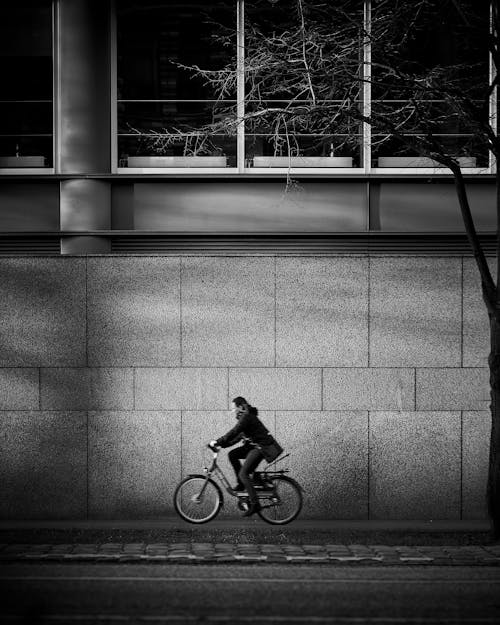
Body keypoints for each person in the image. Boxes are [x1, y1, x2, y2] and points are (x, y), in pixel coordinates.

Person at [210, 396, 283, 517]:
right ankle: (242, 484)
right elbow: (237, 437)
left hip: (261, 447)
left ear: (240, 406)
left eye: (234, 408)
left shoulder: (247, 417)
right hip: (254, 447)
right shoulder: (245, 417)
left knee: (243, 473)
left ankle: (255, 504)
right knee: (232, 454)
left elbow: (234, 431)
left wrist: (217, 441)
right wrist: (222, 445)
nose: (233, 411)